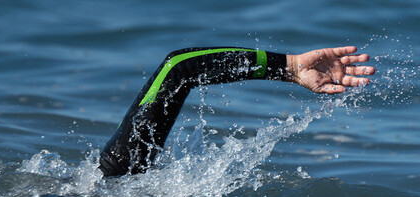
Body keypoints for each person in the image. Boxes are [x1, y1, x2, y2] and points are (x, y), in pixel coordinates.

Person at [98, 46, 376, 177]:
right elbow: (179, 67)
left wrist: (291, 68)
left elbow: (178, 69)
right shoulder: (111, 178)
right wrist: (289, 67)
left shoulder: (107, 184)